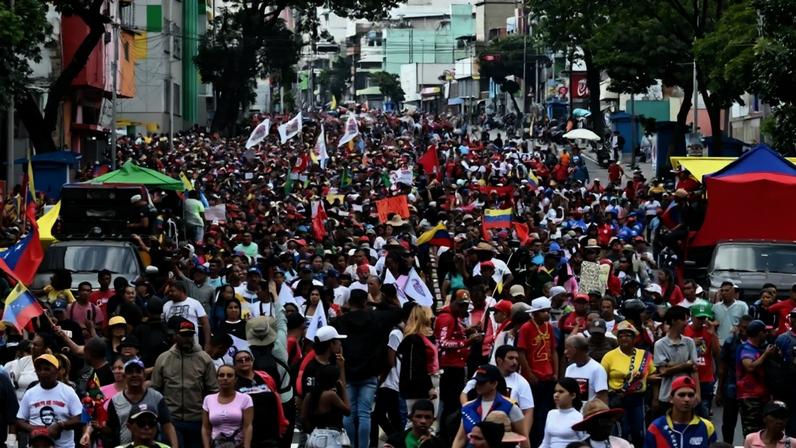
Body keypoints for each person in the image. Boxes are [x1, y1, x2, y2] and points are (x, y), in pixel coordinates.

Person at [331, 286, 401, 448]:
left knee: (348, 414)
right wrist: (376, 304)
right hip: (369, 374)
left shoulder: (340, 321)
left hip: (347, 373)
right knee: (364, 414)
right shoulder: (376, 317)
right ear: (365, 301)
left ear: (349, 302)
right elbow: (399, 311)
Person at [151, 318, 219, 448]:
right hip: (171, 421)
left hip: (197, 420)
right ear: (175, 335)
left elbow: (213, 391)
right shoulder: (163, 358)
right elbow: (155, 390)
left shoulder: (204, 359)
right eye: (183, 335)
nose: (187, 338)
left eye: (190, 335)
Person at [462, 345, 534, 438]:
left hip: (506, 430)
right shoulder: (484, 373)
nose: (515, 362)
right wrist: (469, 412)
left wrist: (523, 436)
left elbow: (528, 411)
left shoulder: (522, 382)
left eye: (516, 358)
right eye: (511, 358)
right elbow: (464, 394)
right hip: (476, 425)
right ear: (499, 360)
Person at [601, 321, 654, 447]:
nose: (624, 338)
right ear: (617, 338)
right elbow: (602, 379)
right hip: (617, 399)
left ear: (634, 338)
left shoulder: (644, 355)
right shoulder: (609, 356)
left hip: (637, 399)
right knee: (621, 432)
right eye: (621, 335)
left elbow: (652, 375)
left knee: (639, 432)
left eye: (628, 335)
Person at [106, 358, 178, 448]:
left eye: (138, 372)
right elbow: (110, 429)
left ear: (144, 375)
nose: (134, 375)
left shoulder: (156, 397)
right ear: (124, 376)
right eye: (130, 372)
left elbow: (167, 425)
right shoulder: (115, 400)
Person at [16, 354, 84, 448]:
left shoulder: (68, 392)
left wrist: (61, 425)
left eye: (47, 369)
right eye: (39, 369)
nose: (42, 372)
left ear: (57, 371)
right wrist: (34, 429)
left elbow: (80, 418)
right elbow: (19, 421)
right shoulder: (30, 393)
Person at [452, 364, 527, 448]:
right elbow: (460, 439)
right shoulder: (468, 407)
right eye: (477, 382)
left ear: (494, 384)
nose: (478, 385)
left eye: (482, 382)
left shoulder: (510, 407)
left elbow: (523, 439)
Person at [518, 297, 558, 448]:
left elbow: (553, 351)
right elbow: (521, 353)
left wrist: (556, 372)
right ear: (534, 313)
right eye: (543, 312)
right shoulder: (526, 328)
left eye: (547, 311)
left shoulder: (549, 327)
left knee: (545, 412)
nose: (547, 314)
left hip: (548, 377)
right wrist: (529, 374)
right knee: (532, 413)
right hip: (534, 378)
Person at [233, 349, 288, 448]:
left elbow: (276, 399)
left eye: (247, 359)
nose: (244, 362)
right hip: (248, 436)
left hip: (271, 434)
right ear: (235, 365)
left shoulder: (265, 377)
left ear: (252, 361)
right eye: (240, 360)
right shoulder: (233, 383)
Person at [645, 376, 717, 448]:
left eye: (691, 395)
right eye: (681, 395)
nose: (686, 399)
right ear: (671, 399)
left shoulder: (707, 427)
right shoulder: (656, 427)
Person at [653, 306, 699, 416]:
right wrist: (685, 364)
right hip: (667, 395)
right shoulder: (660, 344)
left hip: (687, 393)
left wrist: (697, 393)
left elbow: (694, 368)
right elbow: (663, 371)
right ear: (673, 321)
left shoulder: (689, 342)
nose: (686, 323)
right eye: (683, 320)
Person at [716, 315, 751, 443]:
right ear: (739, 327)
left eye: (748, 328)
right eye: (743, 328)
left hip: (750, 392)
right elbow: (722, 368)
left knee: (749, 426)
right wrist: (719, 391)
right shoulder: (730, 342)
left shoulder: (759, 342)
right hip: (731, 389)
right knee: (728, 425)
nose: (745, 331)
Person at [737, 319, 774, 436]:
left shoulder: (759, 347)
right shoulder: (746, 348)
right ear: (759, 334)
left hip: (762, 396)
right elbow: (749, 367)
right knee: (752, 433)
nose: (766, 334)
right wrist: (765, 355)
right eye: (765, 332)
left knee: (763, 431)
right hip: (750, 397)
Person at [201, 364, 253, 448]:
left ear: (235, 379)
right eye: (221, 375)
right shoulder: (208, 399)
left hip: (238, 445)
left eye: (229, 375)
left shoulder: (245, 398)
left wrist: (247, 446)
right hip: (216, 444)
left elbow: (247, 426)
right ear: (217, 379)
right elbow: (205, 428)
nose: (225, 378)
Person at [683, 302, 719, 419]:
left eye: (704, 318)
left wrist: (712, 334)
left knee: (704, 412)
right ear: (692, 316)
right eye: (699, 318)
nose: (701, 321)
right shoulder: (685, 330)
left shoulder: (708, 330)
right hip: (689, 376)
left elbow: (717, 352)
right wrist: (692, 342)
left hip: (706, 377)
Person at [301, 364, 351, 448]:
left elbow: (303, 418)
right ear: (333, 380)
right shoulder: (330, 395)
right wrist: (343, 389)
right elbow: (348, 411)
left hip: (314, 437)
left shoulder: (309, 395)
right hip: (330, 439)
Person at [162, 280, 212, 349]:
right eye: (169, 291)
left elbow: (205, 323)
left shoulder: (194, 303)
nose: (170, 293)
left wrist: (207, 343)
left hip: (192, 343)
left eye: (172, 291)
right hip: (173, 346)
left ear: (181, 291)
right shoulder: (166, 305)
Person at [540, 378, 585, 448]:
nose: (556, 395)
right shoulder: (551, 414)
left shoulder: (579, 417)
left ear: (573, 395)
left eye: (561, 392)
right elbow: (546, 442)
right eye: (555, 391)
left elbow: (584, 443)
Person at [564, 334, 608, 403]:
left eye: (567, 348)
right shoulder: (569, 369)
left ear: (575, 349)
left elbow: (602, 398)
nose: (565, 352)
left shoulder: (597, 369)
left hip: (589, 413)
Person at [713, 281, 749, 345]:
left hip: (736, 343)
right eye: (722, 291)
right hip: (719, 343)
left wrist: (738, 327)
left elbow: (746, 324)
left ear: (733, 291)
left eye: (727, 290)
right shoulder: (715, 307)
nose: (724, 293)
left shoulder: (742, 306)